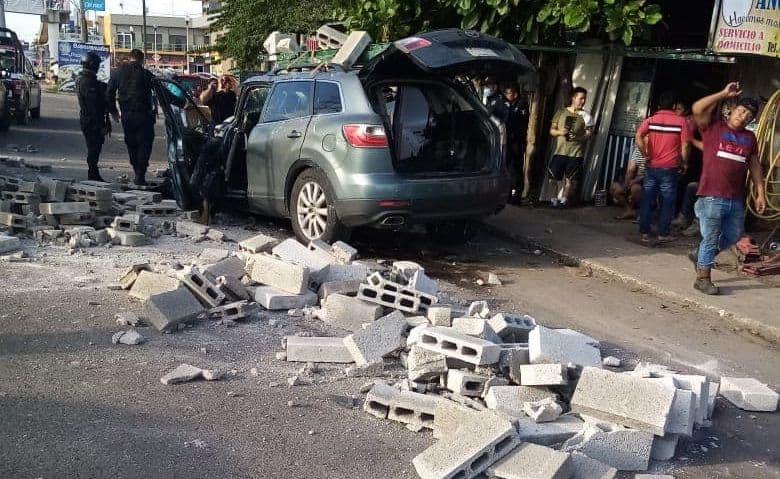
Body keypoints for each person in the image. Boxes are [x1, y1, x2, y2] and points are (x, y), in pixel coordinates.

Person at [690, 82, 767, 295]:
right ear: (733, 110)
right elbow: (697, 108)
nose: (743, 117)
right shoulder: (714, 127)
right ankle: (702, 278)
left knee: (733, 236)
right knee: (711, 237)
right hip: (711, 196)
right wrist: (723, 93)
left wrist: (760, 192)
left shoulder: (749, 138)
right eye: (741, 112)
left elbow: (754, 164)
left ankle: (700, 255)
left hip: (735, 198)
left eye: (748, 117)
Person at [635, 92, 691, 243]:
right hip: (670, 169)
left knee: (647, 199)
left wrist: (645, 153)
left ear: (659, 105)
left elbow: (638, 136)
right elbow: (685, 145)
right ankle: (663, 234)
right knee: (667, 201)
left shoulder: (651, 120)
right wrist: (685, 162)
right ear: (673, 106)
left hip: (652, 167)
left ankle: (644, 234)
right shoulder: (681, 122)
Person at [106, 49, 156, 186]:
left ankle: (137, 172)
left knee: (132, 144)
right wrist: (182, 102)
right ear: (141, 60)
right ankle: (140, 174)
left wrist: (113, 111)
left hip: (127, 116)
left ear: (130, 58)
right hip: (144, 116)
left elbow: (109, 92)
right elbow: (162, 91)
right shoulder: (146, 74)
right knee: (144, 145)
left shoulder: (118, 73)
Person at [548, 87, 593, 207]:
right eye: (580, 98)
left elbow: (589, 134)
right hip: (560, 151)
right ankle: (553, 200)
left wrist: (579, 138)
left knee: (570, 179)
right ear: (573, 98)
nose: (583, 101)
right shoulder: (561, 112)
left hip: (575, 153)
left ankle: (564, 201)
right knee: (553, 178)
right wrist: (560, 132)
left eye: (584, 99)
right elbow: (552, 130)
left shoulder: (586, 116)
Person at [493, 83, 530, 203]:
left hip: (516, 142)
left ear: (515, 94)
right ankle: (507, 193)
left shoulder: (521, 105)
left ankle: (516, 194)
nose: (506, 96)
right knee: (507, 167)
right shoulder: (504, 104)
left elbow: (518, 123)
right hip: (507, 141)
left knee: (516, 168)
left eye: (508, 93)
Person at [76, 51, 109, 182]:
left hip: (87, 118)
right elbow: (94, 105)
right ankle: (93, 174)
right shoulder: (88, 82)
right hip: (92, 120)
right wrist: (101, 125)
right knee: (94, 148)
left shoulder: (84, 79)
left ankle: (93, 173)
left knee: (94, 147)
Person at [610, 146, 646, 220]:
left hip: (645, 180)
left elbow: (651, 173)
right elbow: (630, 170)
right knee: (614, 188)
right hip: (634, 178)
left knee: (635, 189)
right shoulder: (637, 150)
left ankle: (640, 213)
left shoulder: (653, 151)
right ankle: (629, 211)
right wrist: (626, 184)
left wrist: (634, 181)